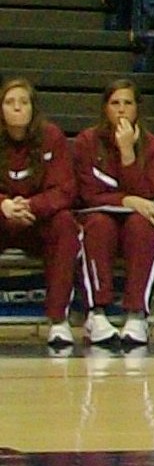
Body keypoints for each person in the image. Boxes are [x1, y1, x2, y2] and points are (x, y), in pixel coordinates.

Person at [74, 79, 154, 349]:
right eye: (115, 103)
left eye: (128, 103)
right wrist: (127, 199)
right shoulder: (86, 142)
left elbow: (147, 195)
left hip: (135, 219)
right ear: (105, 108)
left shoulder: (153, 147)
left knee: (145, 226)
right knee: (98, 226)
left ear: (138, 108)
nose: (121, 110)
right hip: (97, 214)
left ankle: (136, 313)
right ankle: (97, 313)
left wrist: (128, 151)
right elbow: (88, 193)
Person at [0, 79, 80, 351]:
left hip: (38, 219)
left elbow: (64, 189)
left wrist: (31, 206)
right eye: (10, 103)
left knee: (66, 224)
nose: (17, 108)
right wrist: (4, 205)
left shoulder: (52, 136)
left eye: (23, 102)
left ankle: (58, 321)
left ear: (33, 107)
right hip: (3, 217)